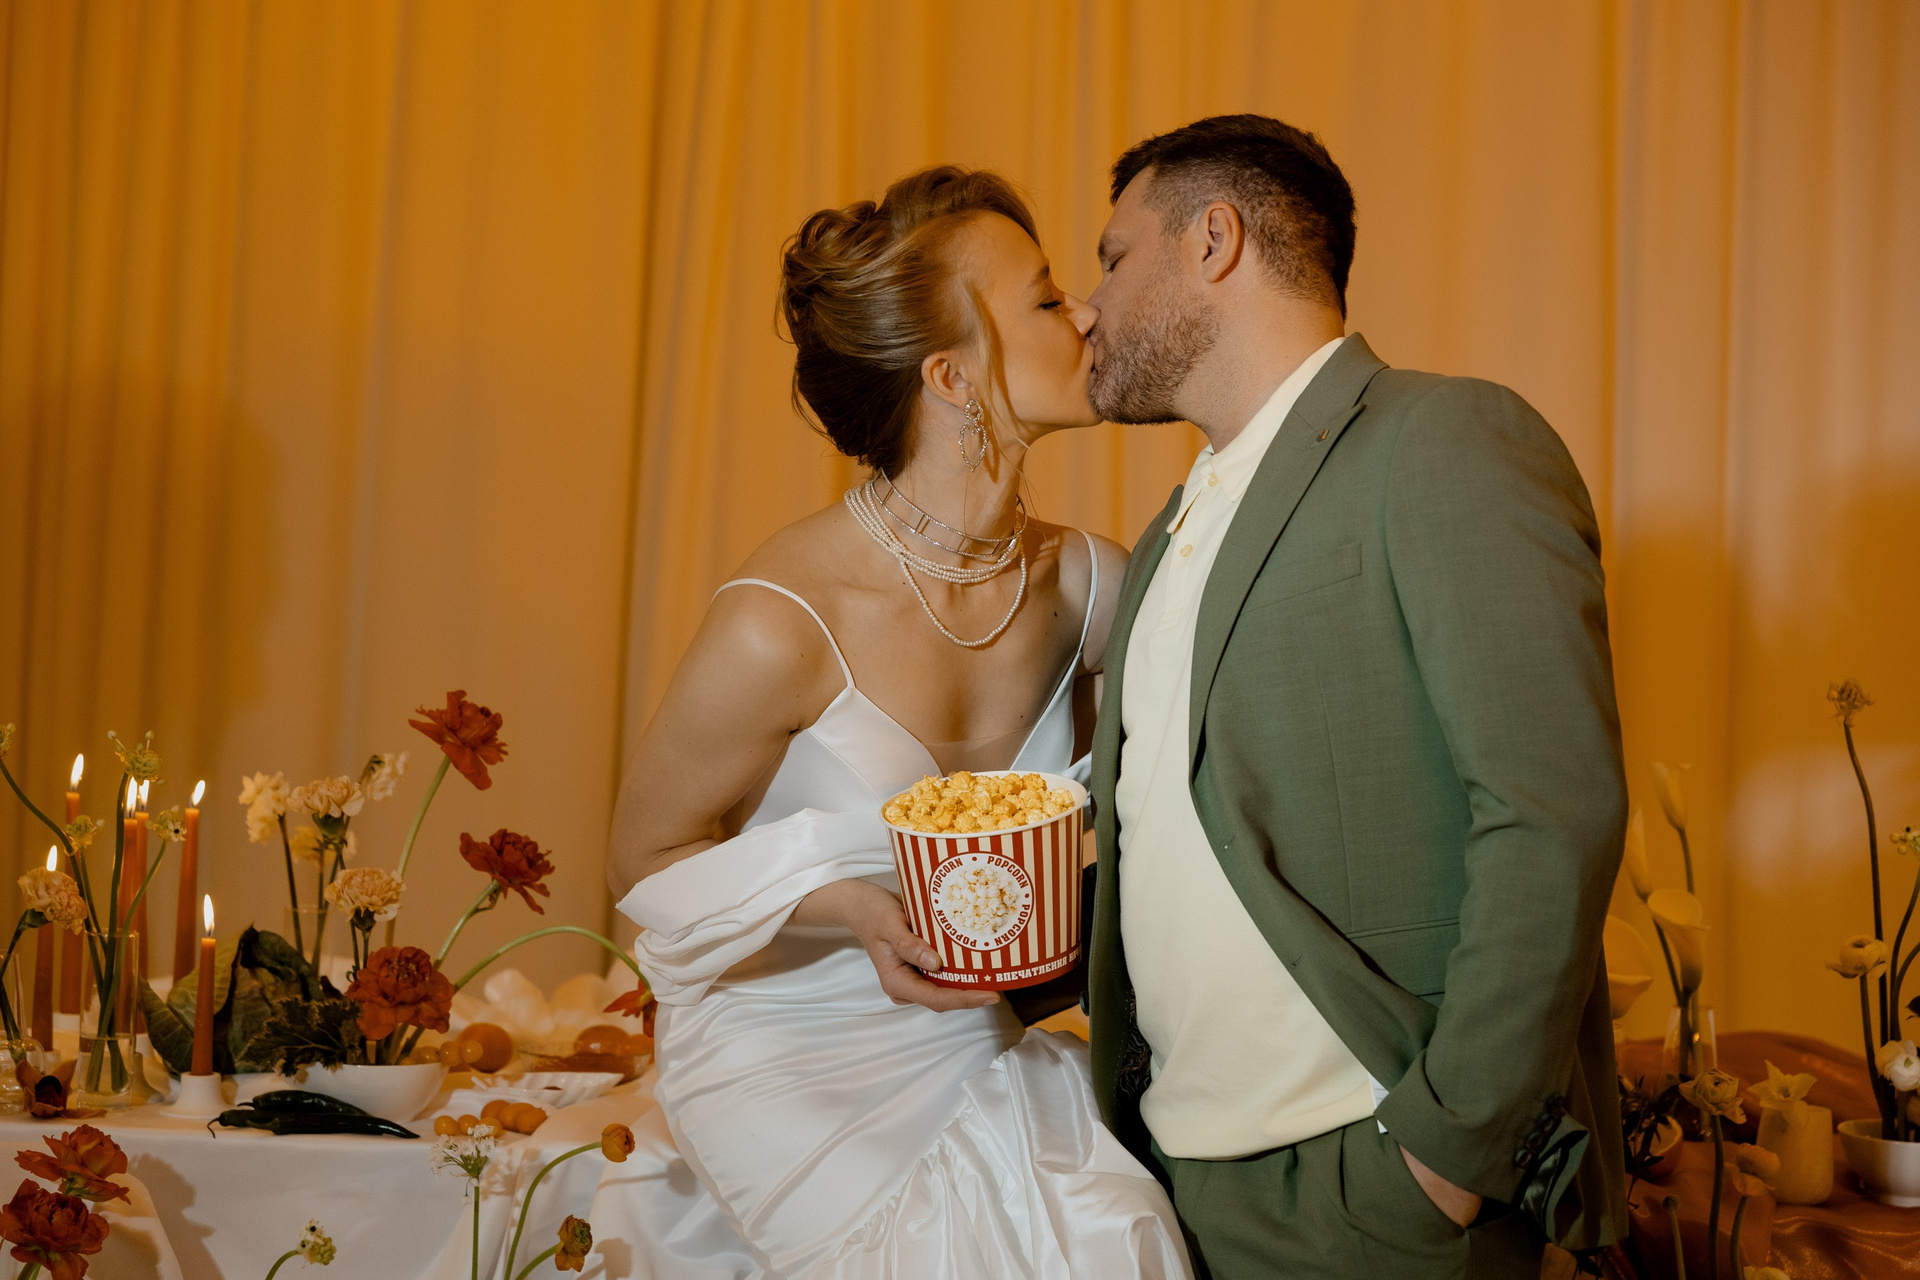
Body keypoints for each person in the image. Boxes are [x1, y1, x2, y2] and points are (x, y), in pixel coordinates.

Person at [594, 167, 1192, 1279]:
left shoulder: (1091, 587)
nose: (1087, 312)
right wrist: (859, 910)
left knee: (1111, 1236)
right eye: (1047, 296)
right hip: (787, 1048)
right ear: (953, 378)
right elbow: (643, 857)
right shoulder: (782, 619)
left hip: (975, 1037)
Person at [1082, 114, 1630, 1278]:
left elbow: (1552, 810)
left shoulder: (1443, 437)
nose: (1090, 306)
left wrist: (1449, 1152)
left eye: (1114, 258)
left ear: (1214, 239)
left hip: (1367, 1187)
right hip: (1170, 1176)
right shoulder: (1171, 524)